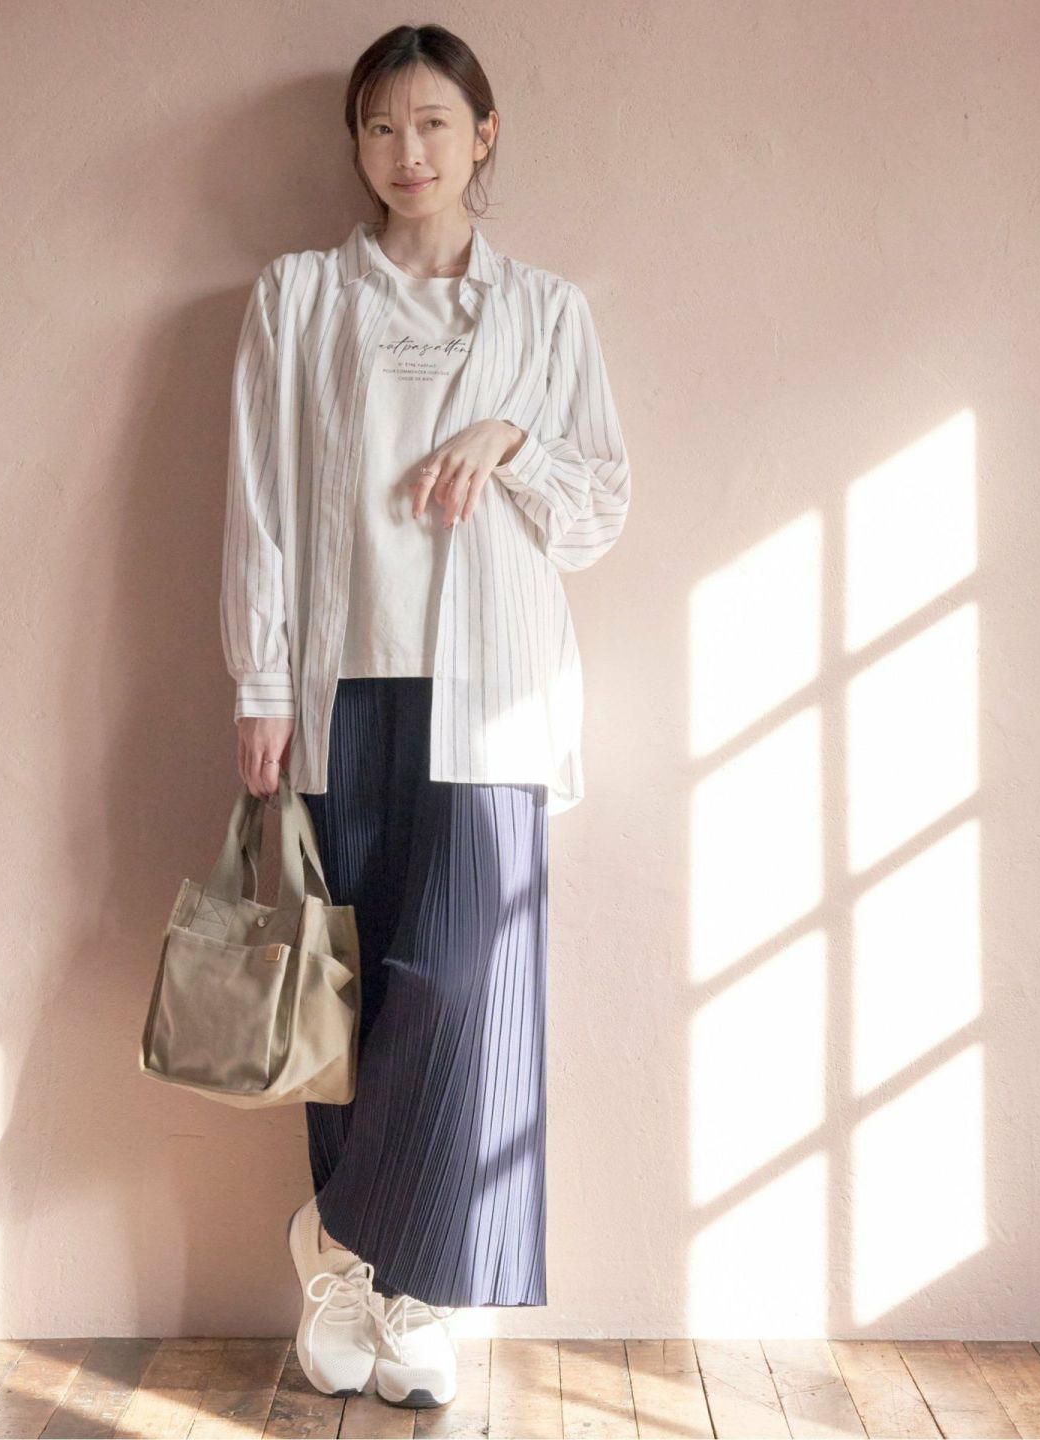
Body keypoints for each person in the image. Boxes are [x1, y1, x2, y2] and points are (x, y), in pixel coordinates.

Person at [220, 22, 631, 1411]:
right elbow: (259, 499)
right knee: (346, 998)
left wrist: (511, 441)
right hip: (340, 694)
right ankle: (368, 1298)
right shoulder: (297, 299)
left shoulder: (547, 314)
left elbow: (598, 511)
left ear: (484, 134)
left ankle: (359, 1253)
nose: (408, 152)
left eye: (435, 123)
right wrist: (260, 681)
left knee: (461, 989)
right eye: (383, 126)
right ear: (358, 143)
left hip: (492, 702)